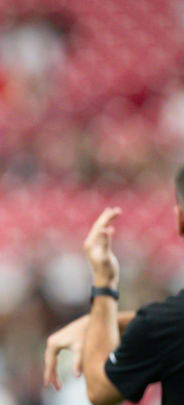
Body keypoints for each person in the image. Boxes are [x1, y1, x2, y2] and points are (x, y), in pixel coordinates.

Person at [43, 165, 184, 405]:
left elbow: (100, 390)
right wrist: (110, 323)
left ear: (180, 219)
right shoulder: (166, 324)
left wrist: (104, 285)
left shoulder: (166, 323)